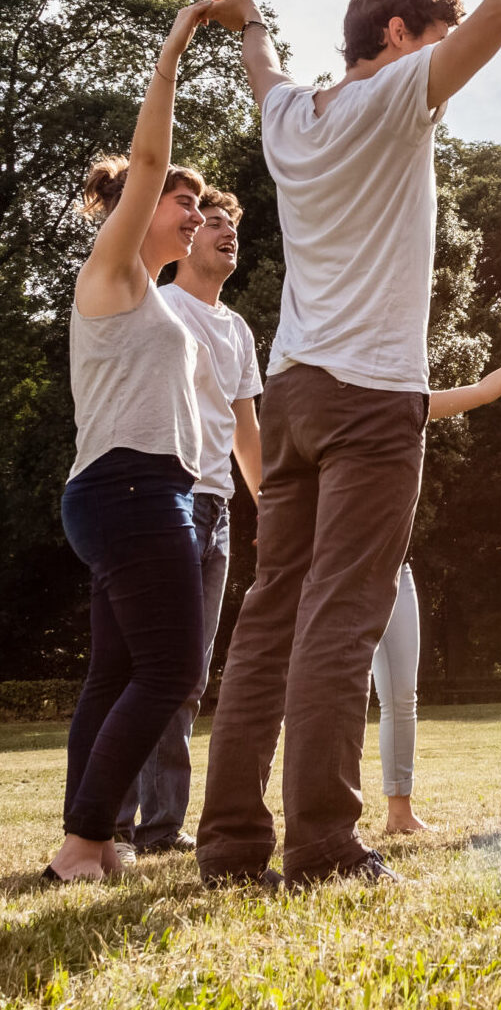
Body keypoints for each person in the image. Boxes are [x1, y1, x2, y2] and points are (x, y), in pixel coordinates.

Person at [196, 0, 501, 889]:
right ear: (404, 36)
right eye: (438, 42)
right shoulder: (393, 97)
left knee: (272, 606)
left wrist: (249, 21)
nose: (451, 63)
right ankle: (322, 842)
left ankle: (229, 842)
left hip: (291, 394)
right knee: (341, 611)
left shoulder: (290, 120)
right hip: (370, 396)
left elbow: (264, 67)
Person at [45, 0, 215, 883]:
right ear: (131, 210)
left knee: (115, 674)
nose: (191, 213)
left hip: (140, 492)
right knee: (173, 666)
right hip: (130, 490)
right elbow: (148, 159)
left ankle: (94, 839)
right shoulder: (110, 268)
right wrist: (174, 48)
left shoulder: (151, 296)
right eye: (179, 202)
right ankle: (85, 842)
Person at [116, 187, 263, 857]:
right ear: (186, 235)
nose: (226, 231)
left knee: (190, 676)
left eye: (233, 224)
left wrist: (270, 508)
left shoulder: (236, 330)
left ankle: (159, 827)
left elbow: (246, 431)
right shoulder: (158, 305)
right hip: (161, 499)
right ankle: (110, 821)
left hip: (217, 509)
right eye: (212, 222)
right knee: (147, 669)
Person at [371, 344, 501, 836]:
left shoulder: (410, 405)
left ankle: (399, 813)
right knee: (337, 695)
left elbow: (483, 392)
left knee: (402, 696)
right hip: (339, 575)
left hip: (397, 572)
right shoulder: (335, 410)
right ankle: (323, 816)